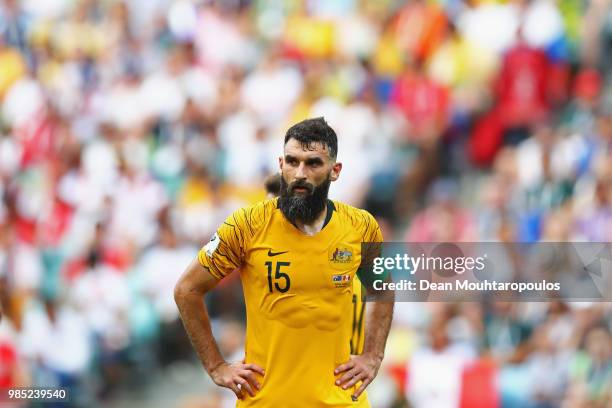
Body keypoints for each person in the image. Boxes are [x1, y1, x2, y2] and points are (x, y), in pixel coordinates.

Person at [174, 117, 394, 407]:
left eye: (313, 163)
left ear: (335, 170)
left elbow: (382, 288)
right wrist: (217, 366)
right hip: (265, 400)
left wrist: (372, 356)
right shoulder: (246, 225)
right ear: (281, 164)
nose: (299, 172)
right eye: (292, 161)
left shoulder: (360, 226)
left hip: (340, 400)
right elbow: (186, 290)